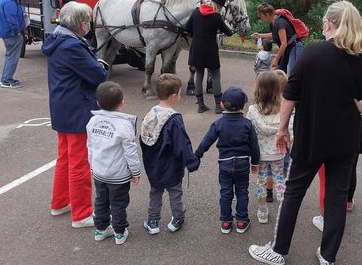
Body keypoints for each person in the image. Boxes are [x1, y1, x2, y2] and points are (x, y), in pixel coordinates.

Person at [249, 0, 362, 265]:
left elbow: (290, 94)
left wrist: (282, 129)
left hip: (312, 135)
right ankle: (327, 256)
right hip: (347, 139)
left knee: (295, 191)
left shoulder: (313, 53)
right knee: (336, 197)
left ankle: (277, 251)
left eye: (324, 22)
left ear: (330, 24)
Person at [41, 1, 108, 228]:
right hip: (78, 108)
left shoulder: (59, 40)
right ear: (80, 24)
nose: (89, 25)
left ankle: (60, 202)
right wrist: (101, 65)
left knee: (65, 158)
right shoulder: (72, 46)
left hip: (62, 106)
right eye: (87, 21)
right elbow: (97, 74)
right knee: (79, 162)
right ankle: (81, 213)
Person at [140, 73, 200, 235]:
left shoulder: (150, 115)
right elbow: (182, 144)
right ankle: (177, 217)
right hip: (171, 164)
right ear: (174, 96)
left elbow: (144, 139)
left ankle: (152, 221)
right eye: (179, 93)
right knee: (175, 191)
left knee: (155, 191)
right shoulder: (174, 119)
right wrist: (191, 162)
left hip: (153, 164)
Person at [195, 86, 260, 234]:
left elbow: (207, 141)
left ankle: (226, 221)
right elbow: (254, 146)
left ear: (223, 104)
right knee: (242, 191)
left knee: (226, 192)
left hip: (225, 163)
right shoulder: (247, 124)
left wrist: (197, 155)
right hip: (243, 162)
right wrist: (255, 162)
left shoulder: (218, 123)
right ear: (243, 106)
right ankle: (242, 221)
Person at [86, 81, 141, 245]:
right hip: (118, 175)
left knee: (101, 200)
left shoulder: (92, 122)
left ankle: (100, 230)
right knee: (118, 203)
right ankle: (119, 231)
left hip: (99, 171)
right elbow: (130, 152)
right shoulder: (124, 125)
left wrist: (91, 165)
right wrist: (135, 171)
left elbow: (90, 146)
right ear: (122, 103)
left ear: (97, 102)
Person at [246, 71, 291, 224]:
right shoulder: (284, 108)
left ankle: (262, 210)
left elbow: (247, 130)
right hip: (278, 153)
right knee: (280, 179)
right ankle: (284, 212)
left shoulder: (253, 110)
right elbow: (289, 128)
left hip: (260, 154)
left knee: (261, 181)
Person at [185, 0, 233, 113]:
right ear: (219, 6)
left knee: (199, 75)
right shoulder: (216, 17)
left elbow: (187, 28)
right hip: (210, 49)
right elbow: (228, 32)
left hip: (196, 48)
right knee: (216, 75)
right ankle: (218, 106)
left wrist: (196, 33)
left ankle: (200, 105)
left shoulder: (196, 12)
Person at [252, 4, 304, 75]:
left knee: (290, 76)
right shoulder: (273, 23)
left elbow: (284, 43)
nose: (261, 19)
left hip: (294, 48)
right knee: (279, 75)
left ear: (267, 14)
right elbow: (273, 35)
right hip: (287, 50)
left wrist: (276, 59)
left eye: (262, 17)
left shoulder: (280, 22)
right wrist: (260, 35)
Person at [0, 0, 25, 88]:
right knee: (12, 57)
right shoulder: (8, 1)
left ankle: (5, 78)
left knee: (9, 55)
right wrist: (17, 31)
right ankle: (7, 80)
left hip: (6, 32)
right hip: (11, 33)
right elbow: (12, 19)